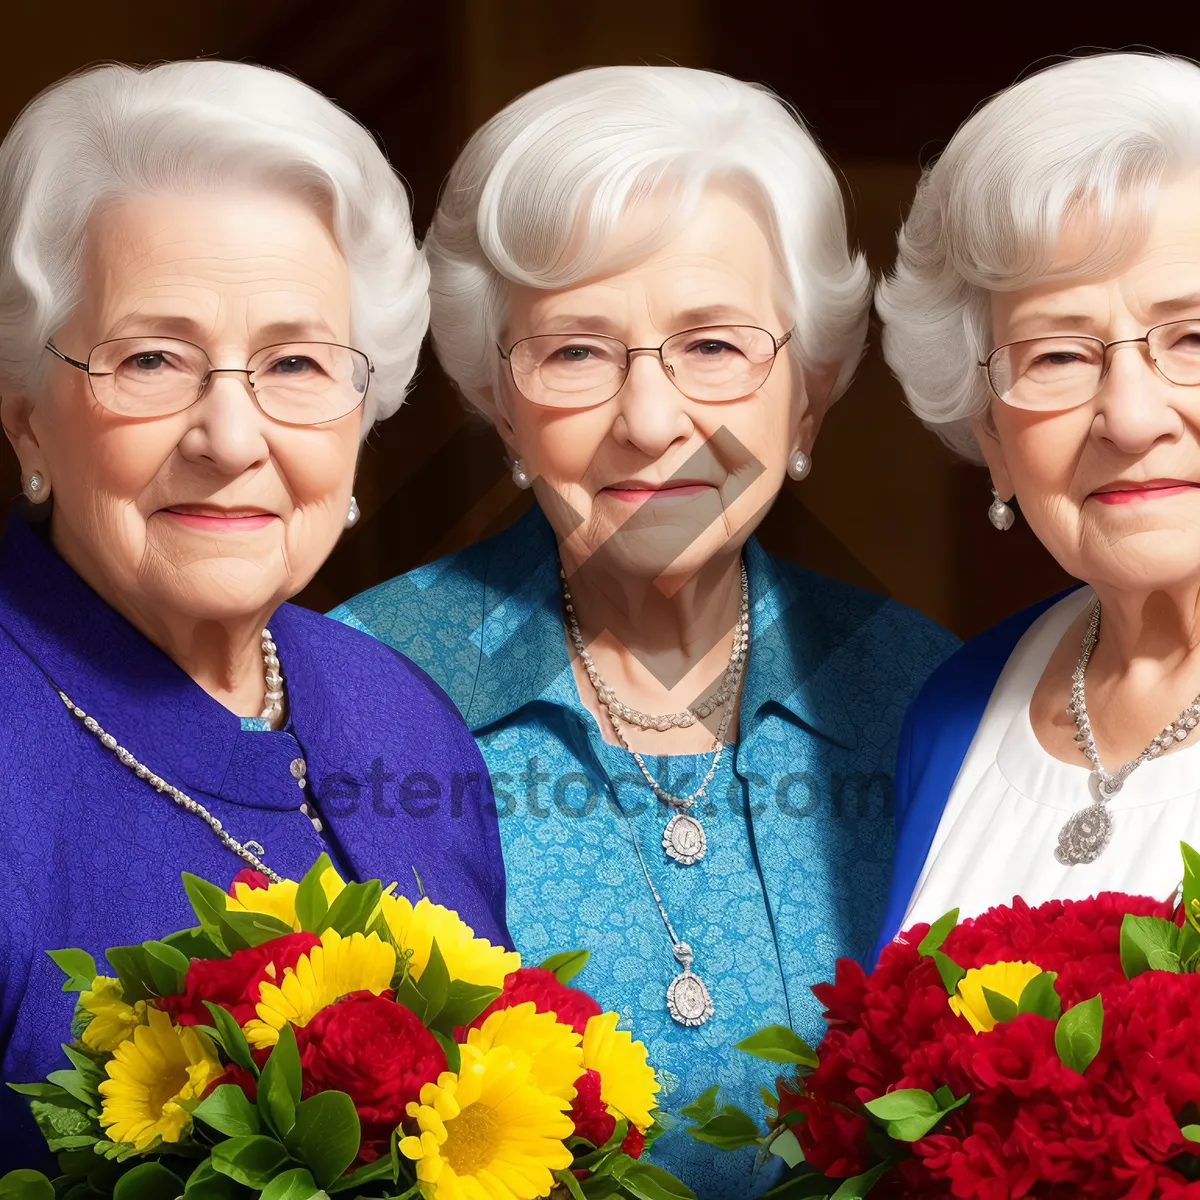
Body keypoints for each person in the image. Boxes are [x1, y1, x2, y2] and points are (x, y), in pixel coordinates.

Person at [332, 65, 958, 1193]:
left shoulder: (928, 694)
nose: (652, 421)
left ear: (807, 394)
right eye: (576, 351)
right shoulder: (358, 685)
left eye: (715, 346)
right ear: (497, 400)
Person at [0, 61, 508, 1172]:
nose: (231, 438)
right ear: (29, 421)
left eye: (294, 362)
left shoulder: (401, 713)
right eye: (153, 359)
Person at [874, 51, 1200, 955]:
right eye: (1056, 354)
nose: (1130, 419)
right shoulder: (956, 707)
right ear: (991, 435)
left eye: (1194, 337)